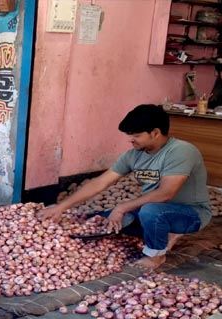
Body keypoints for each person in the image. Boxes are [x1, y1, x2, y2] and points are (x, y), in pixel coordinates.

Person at [39, 104, 211, 270]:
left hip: (191, 213)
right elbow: (100, 182)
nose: (131, 140)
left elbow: (166, 193)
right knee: (104, 220)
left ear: (155, 133)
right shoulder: (133, 155)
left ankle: (156, 255)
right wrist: (61, 207)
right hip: (152, 210)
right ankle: (164, 233)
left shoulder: (181, 151)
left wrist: (122, 207)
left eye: (135, 135)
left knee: (150, 211)